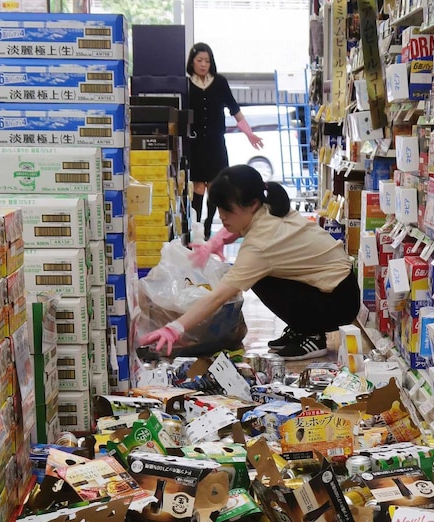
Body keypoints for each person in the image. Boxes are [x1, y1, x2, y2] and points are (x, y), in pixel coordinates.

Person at [139, 165, 360, 361]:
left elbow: (218, 296)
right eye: (219, 210)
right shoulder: (270, 205)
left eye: (227, 210)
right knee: (254, 274)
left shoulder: (261, 244)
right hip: (339, 288)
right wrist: (212, 243)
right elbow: (236, 227)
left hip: (338, 302)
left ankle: (313, 334)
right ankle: (303, 328)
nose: (222, 217)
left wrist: (174, 328)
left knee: (252, 276)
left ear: (252, 204)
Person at [187, 42, 264, 240]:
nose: (203, 64)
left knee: (214, 186)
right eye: (199, 60)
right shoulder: (186, 84)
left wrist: (249, 133)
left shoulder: (219, 82)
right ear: (192, 62)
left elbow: (234, 109)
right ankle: (194, 227)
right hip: (195, 143)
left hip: (215, 142)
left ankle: (207, 227)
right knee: (198, 187)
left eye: (207, 60)